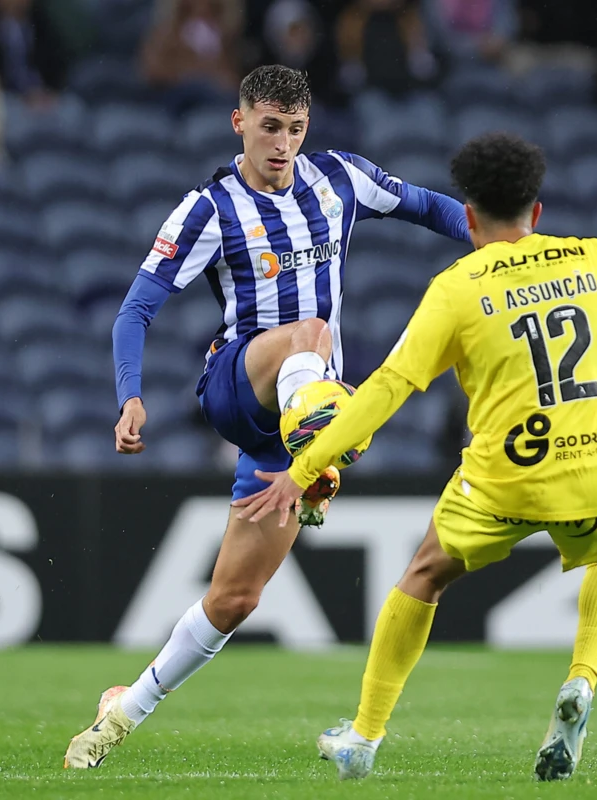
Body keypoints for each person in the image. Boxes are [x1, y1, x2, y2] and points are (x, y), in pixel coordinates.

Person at [235, 132, 597, 780]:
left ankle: (365, 737)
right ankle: (582, 680)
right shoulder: (595, 259)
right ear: (536, 211)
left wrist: (302, 469)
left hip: (504, 478)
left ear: (468, 216)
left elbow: (387, 389)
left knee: (424, 575)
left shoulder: (456, 288)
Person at [63, 64, 472, 769]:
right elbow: (136, 308)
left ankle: (120, 712)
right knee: (311, 334)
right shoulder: (210, 208)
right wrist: (129, 392)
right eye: (270, 127)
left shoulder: (341, 178)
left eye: (295, 129)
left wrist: (502, 242)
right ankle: (320, 448)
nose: (282, 144)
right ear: (240, 123)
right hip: (237, 386)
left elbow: (432, 208)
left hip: (294, 421)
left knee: (235, 599)